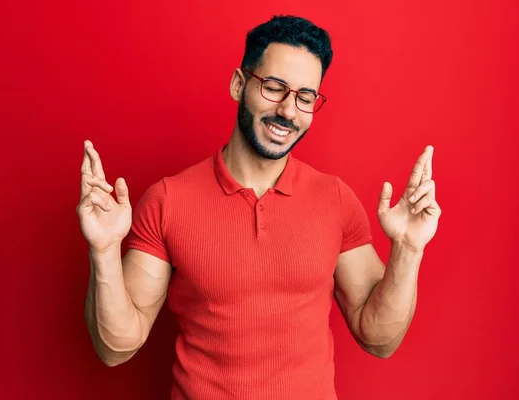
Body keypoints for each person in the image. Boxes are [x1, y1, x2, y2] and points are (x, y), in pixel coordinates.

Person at [77, 15, 441, 400]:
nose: (288, 111)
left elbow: (379, 339)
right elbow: (115, 348)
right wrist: (102, 250)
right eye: (274, 87)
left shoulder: (334, 199)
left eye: (305, 97)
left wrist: (408, 248)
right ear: (239, 84)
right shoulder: (169, 201)